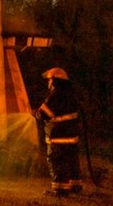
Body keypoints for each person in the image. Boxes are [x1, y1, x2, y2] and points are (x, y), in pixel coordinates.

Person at [34, 67, 82, 197]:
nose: (48, 83)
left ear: (55, 81)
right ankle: (75, 187)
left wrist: (37, 113)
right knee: (71, 161)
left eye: (49, 80)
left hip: (58, 135)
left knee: (57, 161)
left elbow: (43, 114)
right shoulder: (71, 94)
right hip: (71, 136)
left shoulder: (55, 95)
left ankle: (60, 190)